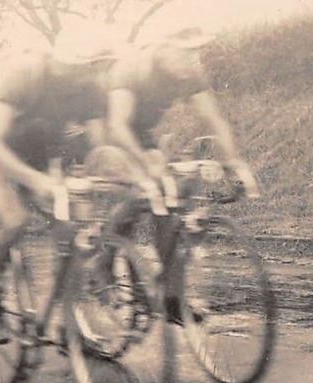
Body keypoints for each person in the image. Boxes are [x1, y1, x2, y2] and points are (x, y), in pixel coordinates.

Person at [101, 28, 260, 321]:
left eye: (195, 53)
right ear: (162, 48)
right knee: (140, 188)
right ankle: (105, 256)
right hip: (108, 129)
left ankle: (173, 298)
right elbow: (118, 126)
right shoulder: (133, 69)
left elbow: (215, 121)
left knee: (169, 202)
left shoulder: (190, 74)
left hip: (143, 134)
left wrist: (235, 165)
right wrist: (144, 166)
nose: (192, 59)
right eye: (184, 52)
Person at [0, 34, 112, 343]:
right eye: (77, 68)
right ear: (56, 61)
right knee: (15, 221)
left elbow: (99, 148)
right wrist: (36, 181)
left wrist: (113, 174)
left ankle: (62, 319)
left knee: (72, 231)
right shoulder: (26, 76)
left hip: (36, 156)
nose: (83, 77)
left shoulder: (89, 85)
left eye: (90, 69)